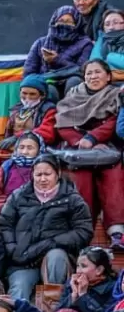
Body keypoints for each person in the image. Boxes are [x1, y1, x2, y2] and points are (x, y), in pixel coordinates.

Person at [0, 154, 93, 301]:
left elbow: (84, 231)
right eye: (38, 174)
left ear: (57, 174)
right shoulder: (19, 196)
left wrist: (54, 242)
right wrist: (11, 247)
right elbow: (4, 224)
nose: (43, 179)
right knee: (19, 287)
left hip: (57, 258)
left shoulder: (72, 199)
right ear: (32, 175)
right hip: (23, 259)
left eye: (47, 174)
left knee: (56, 257)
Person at [55, 59, 124, 247]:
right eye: (89, 73)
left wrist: (93, 139)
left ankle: (116, 231)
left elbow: (113, 121)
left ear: (108, 76)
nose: (93, 77)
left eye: (97, 72)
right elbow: (62, 123)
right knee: (81, 179)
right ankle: (83, 228)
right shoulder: (72, 96)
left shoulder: (114, 95)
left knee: (113, 175)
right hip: (77, 148)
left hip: (105, 145)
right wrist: (79, 142)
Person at [24, 6, 93, 86]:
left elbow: (82, 70)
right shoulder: (41, 43)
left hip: (72, 80)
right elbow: (29, 71)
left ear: (77, 24)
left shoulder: (85, 44)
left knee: (74, 83)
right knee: (48, 88)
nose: (63, 24)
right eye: (60, 21)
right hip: (46, 80)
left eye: (68, 22)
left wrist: (57, 60)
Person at [0, 133, 46, 216]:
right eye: (21, 147)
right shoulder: (7, 166)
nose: (24, 152)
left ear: (39, 150)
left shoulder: (45, 168)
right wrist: (5, 206)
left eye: (30, 148)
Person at [59, 246, 117, 312]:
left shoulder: (114, 288)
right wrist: (73, 296)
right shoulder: (72, 283)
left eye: (83, 266)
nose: (78, 271)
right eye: (77, 266)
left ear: (99, 270)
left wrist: (83, 295)